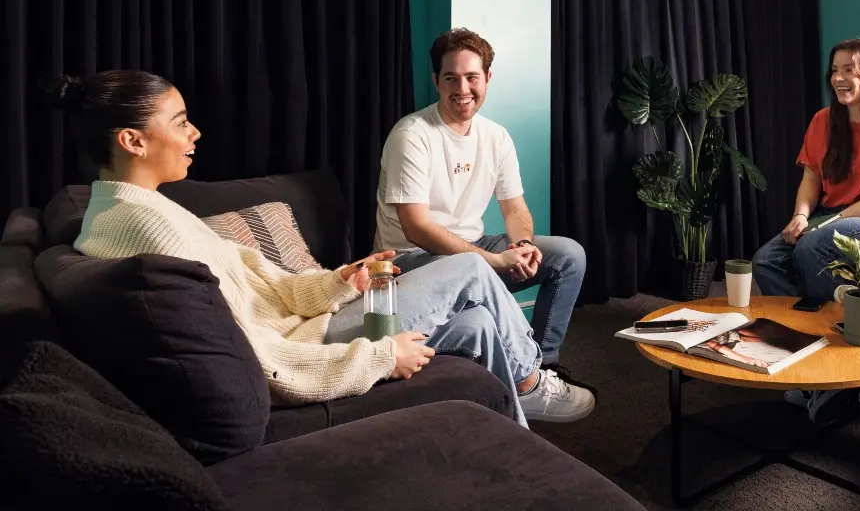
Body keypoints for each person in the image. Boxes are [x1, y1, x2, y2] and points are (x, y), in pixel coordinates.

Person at [52, 69, 593, 426]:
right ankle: (529, 381)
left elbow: (265, 286)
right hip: (313, 345)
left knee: (477, 323)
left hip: (312, 319)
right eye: (180, 122)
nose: (194, 133)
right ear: (132, 140)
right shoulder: (144, 229)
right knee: (471, 273)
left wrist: (340, 278)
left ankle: (512, 441)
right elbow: (254, 356)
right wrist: (378, 356)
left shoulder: (141, 210)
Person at [374, 28, 588, 381]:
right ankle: (526, 379)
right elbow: (416, 227)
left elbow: (515, 209)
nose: (462, 89)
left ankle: (545, 362)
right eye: (451, 78)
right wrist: (489, 261)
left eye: (472, 77)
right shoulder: (411, 135)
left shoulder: (496, 136)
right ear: (436, 81)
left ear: (487, 78)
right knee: (474, 275)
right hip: (409, 261)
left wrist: (522, 247)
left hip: (473, 249)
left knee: (568, 256)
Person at [751, 38, 860, 421]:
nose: (839, 78)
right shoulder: (823, 120)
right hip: (830, 214)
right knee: (765, 261)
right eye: (835, 70)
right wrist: (799, 215)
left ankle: (833, 360)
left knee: (812, 248)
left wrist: (819, 226)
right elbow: (811, 179)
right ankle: (801, 348)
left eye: (849, 69)